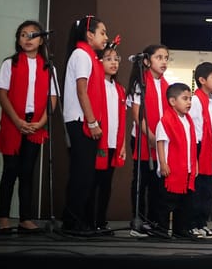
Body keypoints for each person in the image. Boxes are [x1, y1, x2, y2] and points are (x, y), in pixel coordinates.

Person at [0, 20, 58, 235]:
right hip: (14, 123)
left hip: (36, 124)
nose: (27, 39)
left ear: (41, 40)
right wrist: (17, 121)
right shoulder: (9, 64)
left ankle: (25, 219)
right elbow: (2, 94)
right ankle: (4, 219)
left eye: (32, 35)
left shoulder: (48, 67)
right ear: (18, 40)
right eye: (23, 35)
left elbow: (52, 98)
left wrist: (40, 123)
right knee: (10, 171)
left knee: (28, 172)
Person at [61, 15, 109, 234]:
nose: (106, 38)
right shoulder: (81, 54)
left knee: (85, 174)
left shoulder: (90, 56)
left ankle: (77, 220)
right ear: (89, 35)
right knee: (82, 174)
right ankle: (72, 222)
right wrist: (92, 122)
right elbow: (82, 90)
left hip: (86, 120)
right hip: (80, 120)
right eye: (102, 33)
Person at [127, 44, 171, 235]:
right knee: (141, 180)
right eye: (159, 57)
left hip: (160, 142)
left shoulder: (167, 85)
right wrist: (150, 135)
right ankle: (139, 219)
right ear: (147, 61)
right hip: (143, 139)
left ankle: (156, 222)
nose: (163, 61)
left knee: (157, 183)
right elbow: (137, 115)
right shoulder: (140, 83)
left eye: (166, 58)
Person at [84, 39, 127, 234]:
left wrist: (123, 145)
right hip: (96, 139)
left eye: (116, 59)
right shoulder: (96, 84)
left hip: (112, 143)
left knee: (106, 184)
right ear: (98, 61)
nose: (113, 63)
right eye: (108, 59)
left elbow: (121, 119)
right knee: (92, 182)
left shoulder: (119, 89)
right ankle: (88, 220)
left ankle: (101, 221)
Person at [155, 82, 197, 238]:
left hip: (186, 170)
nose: (189, 102)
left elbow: (192, 144)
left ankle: (181, 229)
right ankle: (162, 230)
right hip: (171, 171)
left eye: (190, 99)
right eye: (185, 99)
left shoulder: (188, 121)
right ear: (173, 101)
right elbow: (160, 142)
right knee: (166, 203)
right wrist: (163, 163)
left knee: (185, 203)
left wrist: (195, 164)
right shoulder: (165, 121)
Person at [188, 61, 212, 237]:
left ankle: (202, 222)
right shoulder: (195, 100)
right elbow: (192, 126)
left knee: (209, 189)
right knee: (197, 188)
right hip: (199, 147)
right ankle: (192, 223)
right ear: (202, 80)